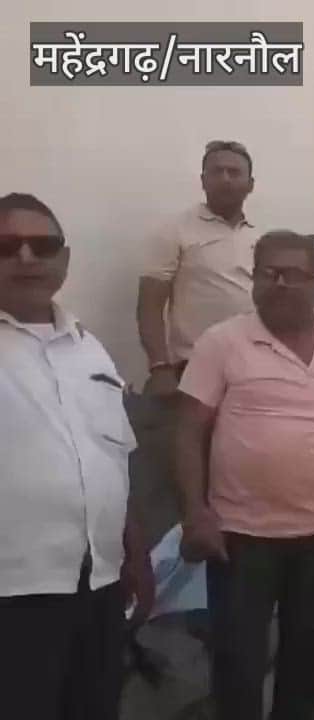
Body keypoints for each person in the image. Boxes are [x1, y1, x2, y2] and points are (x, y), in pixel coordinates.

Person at [174, 231, 314, 719]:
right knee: (238, 663)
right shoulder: (222, 342)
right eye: (268, 273)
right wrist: (195, 513)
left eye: (294, 275)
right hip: (242, 537)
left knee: (307, 657)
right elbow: (186, 433)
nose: (280, 284)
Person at [0, 193, 154, 719]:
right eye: (7, 246)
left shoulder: (87, 346)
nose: (26, 258)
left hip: (98, 586)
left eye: (42, 246)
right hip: (15, 592)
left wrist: (135, 554)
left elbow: (113, 458)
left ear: (63, 260)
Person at [134, 140, 259, 541]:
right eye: (216, 170)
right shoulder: (176, 230)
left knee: (243, 474)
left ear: (250, 183)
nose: (225, 178)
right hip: (194, 374)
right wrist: (159, 367)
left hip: (253, 373)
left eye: (234, 171)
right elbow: (150, 305)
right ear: (202, 179)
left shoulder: (260, 239)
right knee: (193, 481)